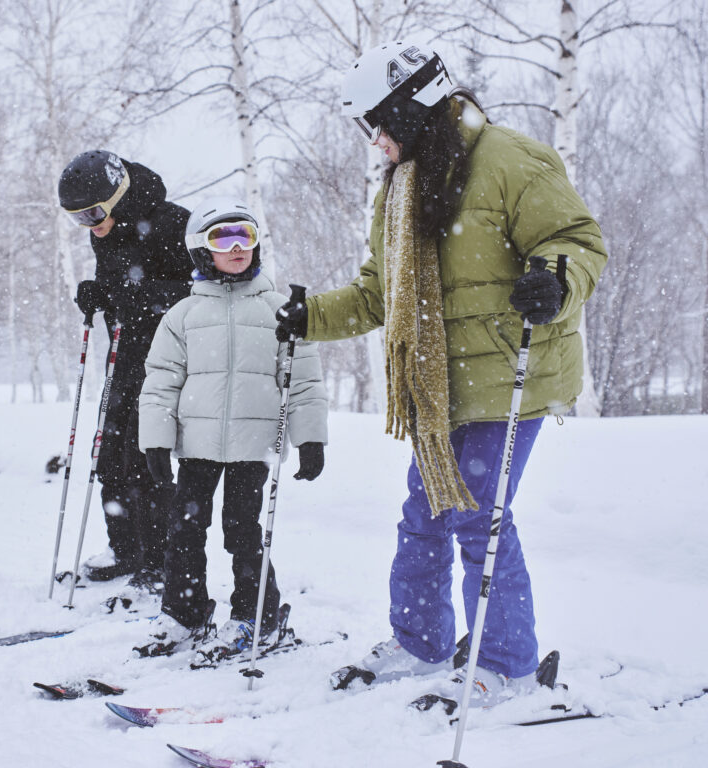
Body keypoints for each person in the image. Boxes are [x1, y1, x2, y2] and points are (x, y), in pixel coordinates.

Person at [275, 40, 607, 706]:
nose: (375, 141)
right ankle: (420, 643)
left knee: (479, 516)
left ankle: (506, 664)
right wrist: (310, 316)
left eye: (379, 122)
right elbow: (378, 294)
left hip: (514, 372)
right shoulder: (400, 189)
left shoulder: (513, 159)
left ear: (415, 105)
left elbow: (577, 241)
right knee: (424, 515)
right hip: (438, 388)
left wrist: (553, 277)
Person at [134, 196, 329, 661]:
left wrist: (311, 437)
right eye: (224, 237)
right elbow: (160, 381)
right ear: (202, 248)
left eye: (247, 235)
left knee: (242, 531)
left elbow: (303, 379)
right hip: (196, 444)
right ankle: (184, 613)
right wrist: (157, 440)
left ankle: (256, 617)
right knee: (185, 528)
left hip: (253, 445)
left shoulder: (279, 310)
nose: (238, 246)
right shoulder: (182, 315)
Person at [58, 150, 194, 589]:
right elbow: (116, 287)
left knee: (144, 458)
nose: (91, 224)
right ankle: (125, 549)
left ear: (119, 193)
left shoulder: (175, 223)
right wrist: (97, 293)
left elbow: (204, 291)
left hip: (169, 360)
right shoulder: (104, 233)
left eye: (95, 212)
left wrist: (147, 297)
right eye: (79, 218)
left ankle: (159, 561)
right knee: (109, 452)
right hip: (124, 354)